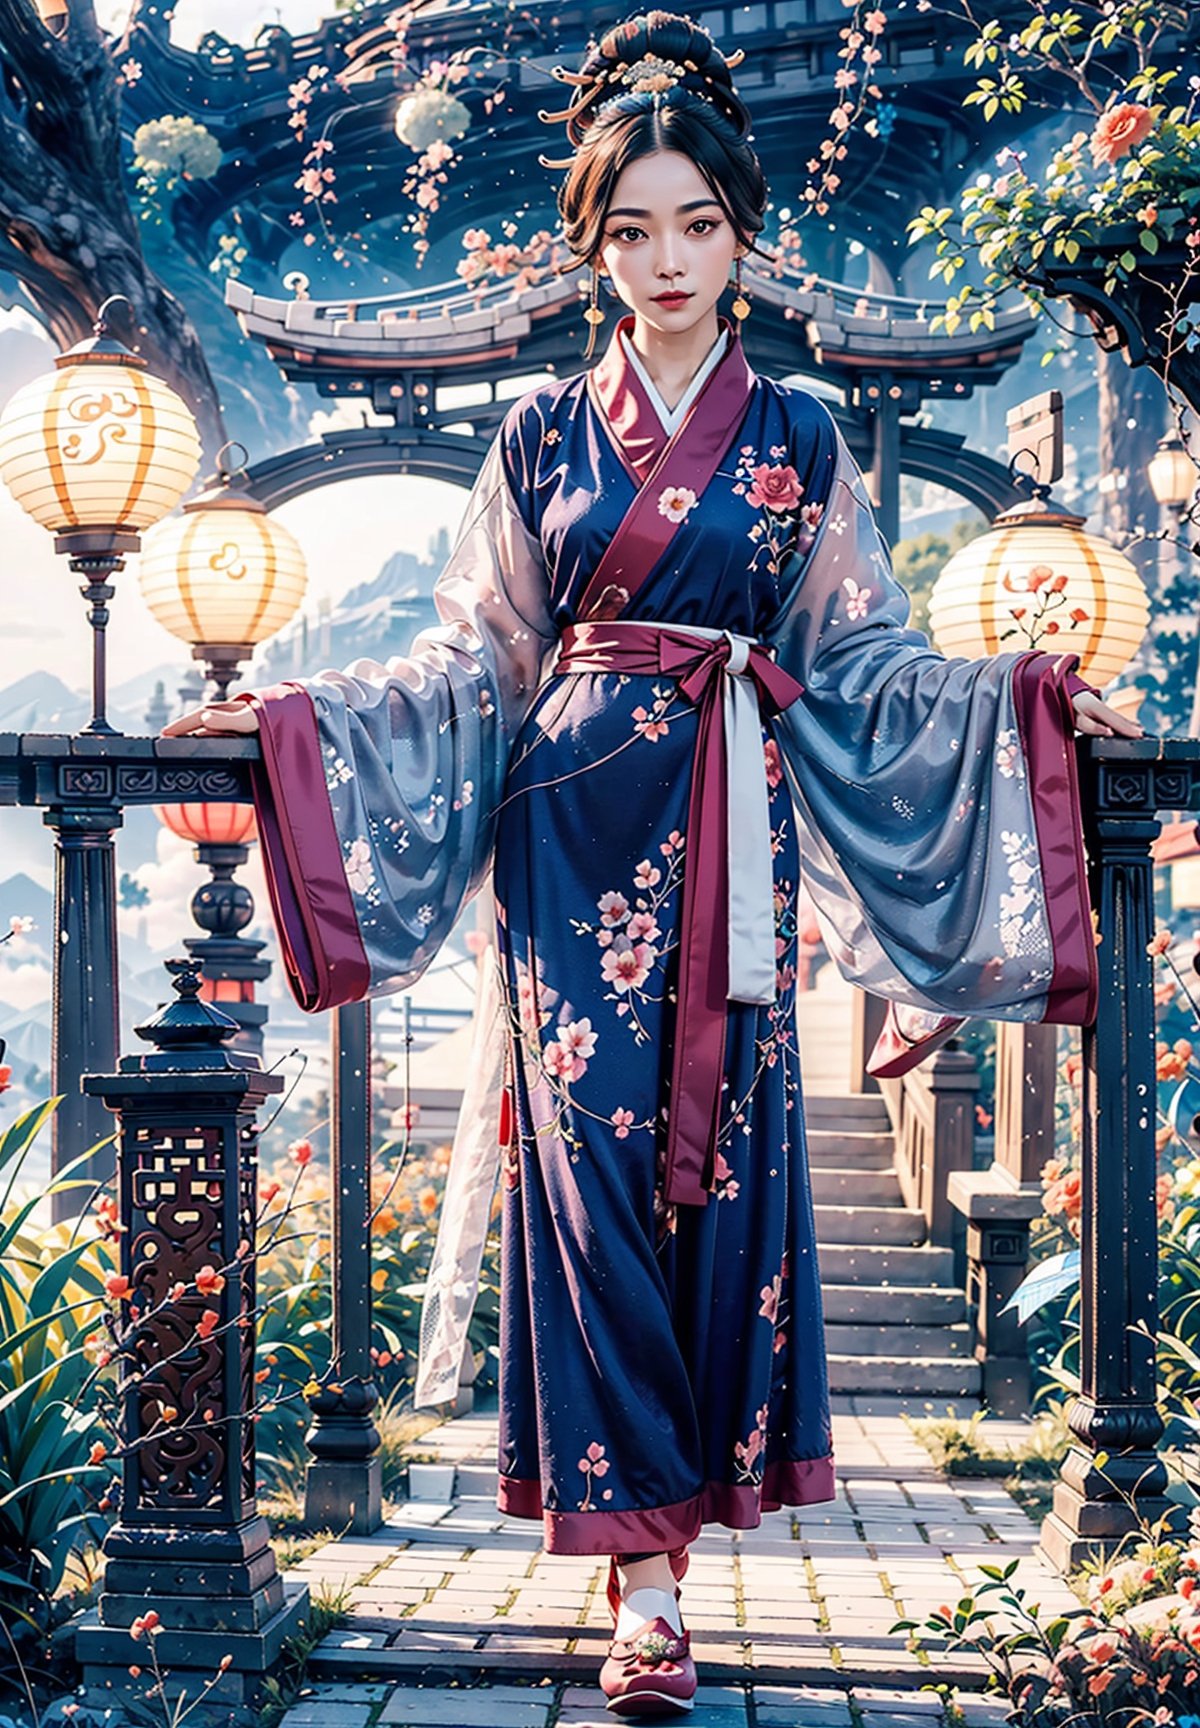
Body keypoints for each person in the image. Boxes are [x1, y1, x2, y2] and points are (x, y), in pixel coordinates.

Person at [166, 9, 1139, 1715]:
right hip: (567, 841)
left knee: (713, 1190)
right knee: (592, 1189)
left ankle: (678, 1542)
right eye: (632, 231)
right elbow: (476, 658)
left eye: (697, 224)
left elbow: (860, 660)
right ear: (593, 246)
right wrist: (284, 723)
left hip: (735, 840)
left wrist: (1029, 692)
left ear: (742, 234)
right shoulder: (538, 435)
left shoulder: (807, 440)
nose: (667, 261)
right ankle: (644, 1584)